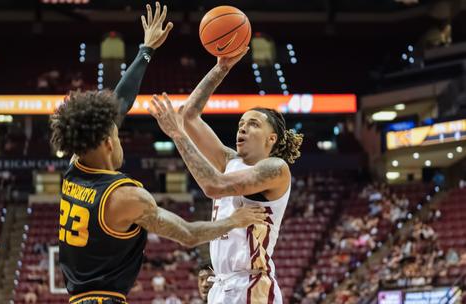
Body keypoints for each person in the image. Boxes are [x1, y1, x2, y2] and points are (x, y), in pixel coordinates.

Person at [49, 4, 267, 304]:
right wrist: (235, 220)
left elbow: (120, 102)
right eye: (116, 131)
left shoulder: (76, 165)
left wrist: (147, 49)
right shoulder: (125, 197)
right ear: (108, 142)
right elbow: (188, 234)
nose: (118, 129)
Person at [149, 49, 303, 303]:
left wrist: (178, 136)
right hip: (223, 284)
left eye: (253, 123)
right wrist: (220, 69)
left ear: (271, 139)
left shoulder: (275, 168)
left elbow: (213, 186)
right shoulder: (230, 161)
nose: (243, 127)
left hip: (252, 285)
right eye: (241, 123)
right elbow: (188, 116)